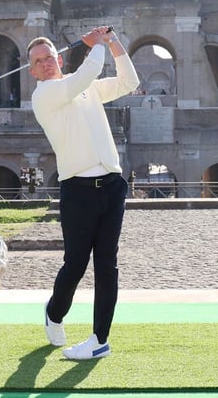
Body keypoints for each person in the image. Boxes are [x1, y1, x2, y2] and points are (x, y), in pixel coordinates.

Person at [27, 25, 139, 360]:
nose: (46, 63)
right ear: (32, 70)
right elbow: (83, 75)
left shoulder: (85, 87)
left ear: (59, 58)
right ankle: (55, 314)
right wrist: (96, 44)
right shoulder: (44, 95)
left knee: (107, 265)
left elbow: (128, 82)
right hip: (77, 189)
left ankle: (99, 340)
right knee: (75, 264)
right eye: (38, 61)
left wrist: (114, 41)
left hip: (111, 185)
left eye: (49, 57)